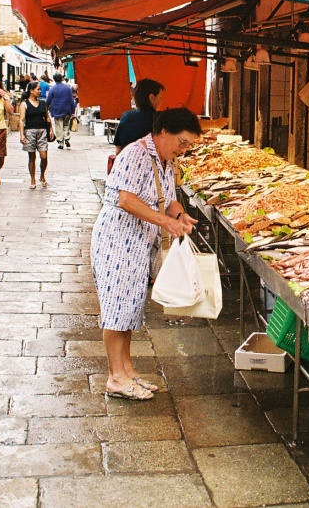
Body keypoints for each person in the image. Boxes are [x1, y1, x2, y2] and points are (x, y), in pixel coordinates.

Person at [91, 107, 200, 401]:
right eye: (182, 142)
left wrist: (180, 215)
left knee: (129, 309)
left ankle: (127, 371)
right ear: (163, 132)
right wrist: (165, 222)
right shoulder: (136, 154)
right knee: (116, 310)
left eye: (188, 144)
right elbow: (127, 200)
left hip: (137, 242)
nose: (183, 149)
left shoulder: (164, 160)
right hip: (117, 238)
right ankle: (115, 377)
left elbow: (167, 199)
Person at [114, 79, 164, 154]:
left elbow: (118, 149)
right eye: (160, 97)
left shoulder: (125, 116)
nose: (162, 100)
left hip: (126, 161)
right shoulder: (159, 119)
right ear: (151, 97)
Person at [18, 81, 51, 189]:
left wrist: (50, 129)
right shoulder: (24, 104)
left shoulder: (42, 103)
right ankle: (32, 178)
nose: (40, 91)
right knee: (31, 156)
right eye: (38, 89)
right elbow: (21, 120)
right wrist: (22, 134)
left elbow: (47, 117)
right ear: (31, 91)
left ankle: (42, 175)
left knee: (44, 156)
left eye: (40, 89)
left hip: (42, 130)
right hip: (30, 131)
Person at [46, 73, 77, 149]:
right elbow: (71, 100)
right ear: (62, 78)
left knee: (59, 126)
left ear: (54, 79)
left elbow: (48, 100)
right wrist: (73, 110)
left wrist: (46, 108)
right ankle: (66, 137)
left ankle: (60, 142)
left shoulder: (53, 88)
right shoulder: (67, 88)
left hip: (57, 110)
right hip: (67, 110)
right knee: (66, 124)